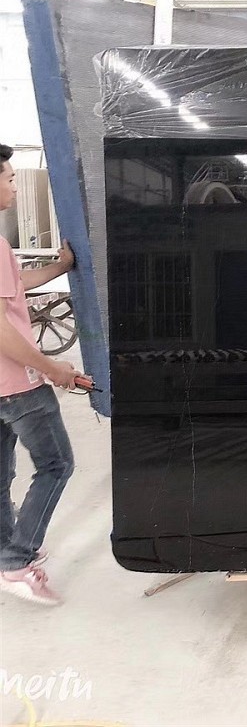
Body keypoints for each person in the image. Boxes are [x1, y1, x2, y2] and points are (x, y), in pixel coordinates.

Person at [0, 143, 81, 606]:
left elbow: (14, 288)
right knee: (56, 465)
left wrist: (60, 266)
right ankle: (18, 561)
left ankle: (4, 551)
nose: (15, 186)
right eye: (9, 177)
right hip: (17, 386)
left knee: (1, 474)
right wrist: (52, 369)